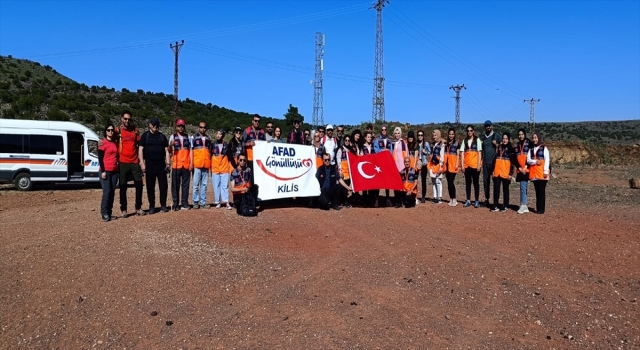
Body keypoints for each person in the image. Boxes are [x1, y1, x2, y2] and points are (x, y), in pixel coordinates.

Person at [116, 110, 145, 218]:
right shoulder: (117, 130)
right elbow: (109, 139)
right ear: (121, 118)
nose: (127, 121)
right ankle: (123, 209)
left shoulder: (135, 130)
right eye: (125, 119)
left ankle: (138, 207)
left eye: (129, 119)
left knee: (139, 185)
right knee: (123, 187)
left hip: (134, 161)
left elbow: (140, 144)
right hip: (123, 162)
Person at [138, 117, 170, 214]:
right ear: (150, 125)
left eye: (157, 125)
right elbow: (140, 150)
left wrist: (168, 163)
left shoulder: (162, 137)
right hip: (149, 165)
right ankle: (152, 206)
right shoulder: (145, 136)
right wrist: (142, 163)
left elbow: (166, 151)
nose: (156, 127)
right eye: (154, 125)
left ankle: (163, 205)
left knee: (163, 186)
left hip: (161, 165)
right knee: (150, 187)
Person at [169, 118, 193, 210]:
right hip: (176, 164)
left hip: (186, 164)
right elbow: (169, 151)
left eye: (182, 126)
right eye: (179, 126)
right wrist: (170, 145)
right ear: (176, 127)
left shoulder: (188, 137)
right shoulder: (172, 137)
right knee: (175, 185)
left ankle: (184, 203)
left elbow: (190, 150)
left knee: (185, 185)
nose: (181, 128)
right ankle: (175, 203)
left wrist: (191, 163)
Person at [98, 123, 119, 221]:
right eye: (108, 130)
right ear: (105, 131)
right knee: (107, 192)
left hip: (114, 171)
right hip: (105, 170)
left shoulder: (115, 143)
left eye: (112, 130)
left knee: (112, 192)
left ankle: (109, 213)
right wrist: (103, 171)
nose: (110, 132)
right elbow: (100, 158)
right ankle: (104, 212)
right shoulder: (103, 143)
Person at [491, 133, 516, 212]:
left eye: (506, 139)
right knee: (496, 189)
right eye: (503, 139)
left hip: (506, 173)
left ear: (508, 139)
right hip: (497, 172)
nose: (504, 140)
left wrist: (510, 174)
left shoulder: (511, 149)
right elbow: (494, 160)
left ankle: (505, 205)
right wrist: (493, 170)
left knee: (506, 190)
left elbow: (512, 163)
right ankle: (495, 205)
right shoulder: (499, 148)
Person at [527, 133, 550, 214]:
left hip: (542, 174)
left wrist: (546, 171)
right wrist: (535, 161)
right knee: (537, 191)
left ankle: (541, 209)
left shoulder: (544, 148)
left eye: (536, 138)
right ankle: (538, 208)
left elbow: (547, 160)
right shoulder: (531, 149)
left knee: (541, 191)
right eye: (533, 138)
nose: (534, 139)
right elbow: (528, 160)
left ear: (539, 138)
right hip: (534, 174)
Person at [460, 125, 483, 208]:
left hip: (475, 166)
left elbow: (480, 153)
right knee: (468, 183)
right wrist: (462, 165)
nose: (469, 132)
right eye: (468, 130)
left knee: (476, 183)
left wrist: (479, 165)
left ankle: (476, 200)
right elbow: (462, 153)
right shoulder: (464, 141)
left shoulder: (477, 140)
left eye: (471, 130)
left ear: (473, 131)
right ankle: (468, 200)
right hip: (467, 166)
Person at [481, 120, 501, 207]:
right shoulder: (483, 137)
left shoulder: (496, 136)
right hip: (485, 162)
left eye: (489, 126)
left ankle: (495, 202)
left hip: (494, 163)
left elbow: (504, 145)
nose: (488, 127)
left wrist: (496, 144)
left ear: (492, 126)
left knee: (495, 182)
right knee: (486, 182)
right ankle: (487, 199)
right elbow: (481, 149)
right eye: (486, 126)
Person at [191, 121, 212, 209]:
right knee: (196, 185)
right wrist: (191, 163)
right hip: (197, 164)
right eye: (201, 127)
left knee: (204, 185)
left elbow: (210, 152)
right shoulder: (193, 137)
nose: (203, 129)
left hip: (206, 164)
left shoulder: (208, 138)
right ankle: (195, 202)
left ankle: (203, 202)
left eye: (204, 127)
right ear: (198, 128)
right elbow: (191, 151)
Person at [211, 129, 233, 210]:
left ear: (223, 136)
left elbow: (230, 156)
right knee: (216, 186)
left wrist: (234, 166)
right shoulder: (212, 144)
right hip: (215, 168)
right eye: (217, 133)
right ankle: (217, 202)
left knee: (225, 186)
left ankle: (226, 202)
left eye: (220, 134)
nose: (218, 135)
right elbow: (210, 156)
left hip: (224, 168)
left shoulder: (226, 145)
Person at [242, 114, 266, 182]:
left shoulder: (262, 132)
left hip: (260, 159)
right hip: (250, 159)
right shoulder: (247, 131)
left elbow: (264, 144)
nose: (257, 122)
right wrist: (249, 144)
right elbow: (242, 143)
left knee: (260, 177)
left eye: (258, 121)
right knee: (251, 177)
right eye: (255, 121)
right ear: (252, 121)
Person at [373, 124, 393, 207]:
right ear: (380, 131)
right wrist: (383, 151)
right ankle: (377, 200)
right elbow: (376, 150)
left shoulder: (389, 140)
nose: (384, 131)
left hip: (387, 163)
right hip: (379, 164)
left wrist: (388, 153)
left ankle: (388, 199)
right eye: (382, 129)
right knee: (378, 181)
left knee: (387, 181)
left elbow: (391, 151)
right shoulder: (377, 140)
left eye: (385, 129)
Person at [515, 128, 532, 214]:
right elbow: (515, 158)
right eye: (519, 134)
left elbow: (532, 156)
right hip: (520, 169)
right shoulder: (517, 145)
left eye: (522, 134)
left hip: (526, 169)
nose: (520, 136)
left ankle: (523, 205)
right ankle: (524, 204)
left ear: (524, 134)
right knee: (523, 187)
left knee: (523, 187)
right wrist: (519, 167)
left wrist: (526, 166)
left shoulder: (529, 143)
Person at [444, 128, 460, 207]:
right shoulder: (446, 143)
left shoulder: (457, 143)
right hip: (447, 165)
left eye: (452, 134)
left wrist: (457, 163)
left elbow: (458, 155)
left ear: (454, 135)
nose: (451, 135)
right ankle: (451, 198)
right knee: (448, 183)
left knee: (451, 182)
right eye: (450, 134)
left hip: (453, 165)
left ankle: (454, 199)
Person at [335, 135, 353, 207]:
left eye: (349, 140)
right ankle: (341, 200)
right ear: (344, 141)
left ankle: (345, 201)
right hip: (343, 170)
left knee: (347, 186)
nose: (347, 142)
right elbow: (338, 160)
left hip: (349, 170)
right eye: (346, 140)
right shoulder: (340, 150)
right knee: (342, 186)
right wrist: (340, 170)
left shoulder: (351, 150)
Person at [428, 129, 446, 204]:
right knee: (434, 181)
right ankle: (435, 197)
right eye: (433, 135)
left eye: (435, 135)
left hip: (439, 165)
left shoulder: (442, 144)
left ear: (438, 135)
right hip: (433, 165)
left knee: (438, 181)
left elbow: (442, 156)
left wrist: (441, 166)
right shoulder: (433, 144)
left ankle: (439, 197)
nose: (434, 137)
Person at [415, 129, 431, 203]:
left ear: (423, 136)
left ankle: (423, 197)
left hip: (424, 163)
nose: (420, 136)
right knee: (415, 180)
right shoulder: (416, 144)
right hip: (417, 163)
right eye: (419, 135)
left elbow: (430, 152)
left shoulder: (426, 144)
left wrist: (426, 152)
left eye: (421, 135)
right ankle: (415, 195)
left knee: (423, 181)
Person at [362, 131, 377, 207]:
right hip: (364, 168)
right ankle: (365, 201)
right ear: (365, 138)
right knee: (365, 186)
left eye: (370, 137)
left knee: (371, 185)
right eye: (368, 137)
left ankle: (371, 201)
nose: (369, 138)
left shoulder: (373, 146)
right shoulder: (362, 146)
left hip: (371, 168)